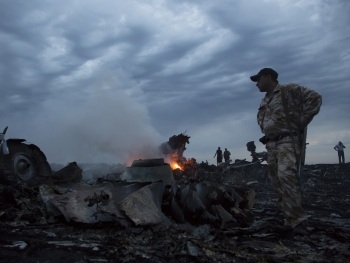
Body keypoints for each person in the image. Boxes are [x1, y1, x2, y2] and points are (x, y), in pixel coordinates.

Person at [250, 68, 322, 235]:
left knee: (287, 177)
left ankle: (299, 221)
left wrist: (300, 122)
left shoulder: (288, 90)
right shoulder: (265, 100)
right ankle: (289, 219)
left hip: (287, 141)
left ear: (268, 76)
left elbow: (315, 98)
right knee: (278, 182)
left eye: (258, 80)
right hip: (272, 145)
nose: (257, 84)